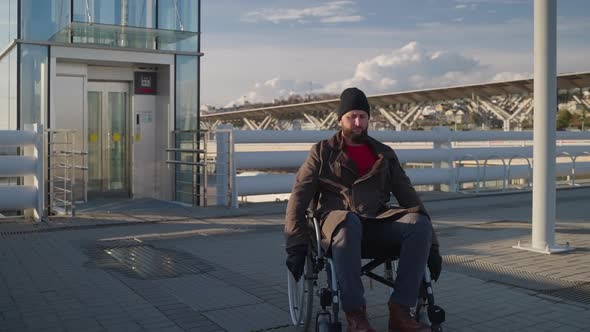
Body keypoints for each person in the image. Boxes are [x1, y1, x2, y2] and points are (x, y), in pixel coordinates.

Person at [284, 87, 442, 332]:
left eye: (362, 116)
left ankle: (400, 312)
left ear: (369, 119)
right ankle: (356, 316)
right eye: (352, 116)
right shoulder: (322, 152)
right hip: (337, 226)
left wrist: (433, 245)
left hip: (377, 223)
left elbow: (409, 197)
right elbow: (298, 198)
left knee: (418, 223)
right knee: (349, 223)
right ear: (340, 119)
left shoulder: (384, 154)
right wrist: (295, 244)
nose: (357, 122)